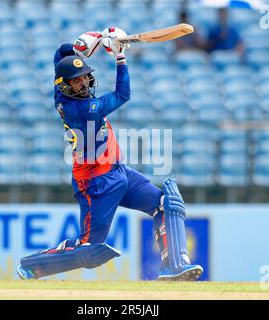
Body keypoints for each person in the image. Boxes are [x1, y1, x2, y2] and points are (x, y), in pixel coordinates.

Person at [16, 28, 204, 281]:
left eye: (85, 78)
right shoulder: (82, 109)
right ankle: (33, 265)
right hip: (96, 182)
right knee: (90, 250)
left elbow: (62, 53)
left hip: (118, 170)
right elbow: (123, 94)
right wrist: (120, 57)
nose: (83, 84)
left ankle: (174, 266)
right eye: (76, 81)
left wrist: (86, 42)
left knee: (166, 204)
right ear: (65, 85)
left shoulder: (59, 88)